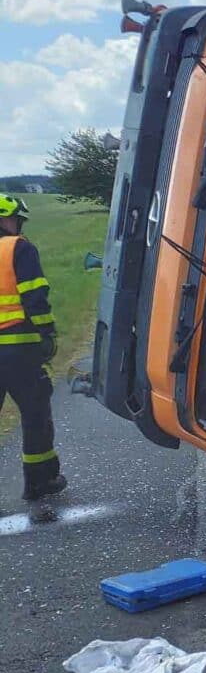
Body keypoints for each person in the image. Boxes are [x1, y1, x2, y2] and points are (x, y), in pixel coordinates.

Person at [0, 194, 66, 500]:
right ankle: (39, 483)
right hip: (18, 350)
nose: (19, 226)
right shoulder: (18, 247)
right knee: (35, 414)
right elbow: (34, 296)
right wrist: (47, 332)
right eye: (17, 220)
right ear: (6, 220)